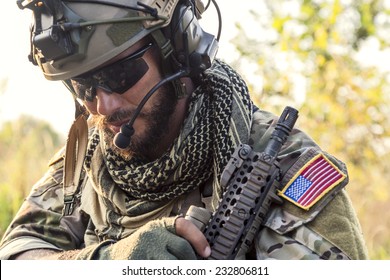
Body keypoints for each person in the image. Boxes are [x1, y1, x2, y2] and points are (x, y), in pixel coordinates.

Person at [0, 0, 368, 260]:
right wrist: (103, 262)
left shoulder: (284, 170)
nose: (103, 106)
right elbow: (17, 253)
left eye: (120, 75)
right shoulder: (83, 162)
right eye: (83, 87)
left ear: (178, 49)